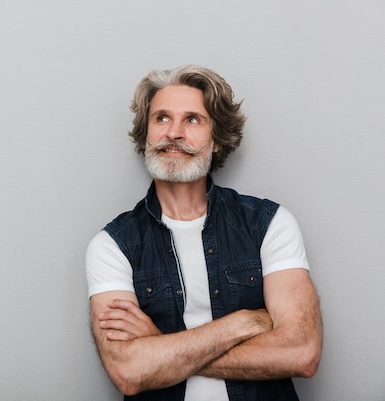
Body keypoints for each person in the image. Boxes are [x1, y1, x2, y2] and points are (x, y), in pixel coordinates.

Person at [85, 65, 322, 401]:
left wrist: (159, 343)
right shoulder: (113, 245)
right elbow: (129, 372)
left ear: (217, 141)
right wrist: (242, 323)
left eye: (193, 120)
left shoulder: (269, 224)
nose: (174, 133)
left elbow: (301, 352)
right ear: (146, 134)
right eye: (162, 118)